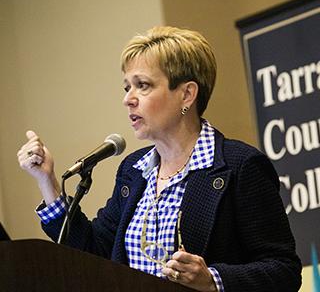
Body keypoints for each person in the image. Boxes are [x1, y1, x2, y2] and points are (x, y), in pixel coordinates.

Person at [17, 26, 302, 292]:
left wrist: (213, 280)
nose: (128, 98)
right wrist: (48, 181)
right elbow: (95, 250)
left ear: (187, 94)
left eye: (142, 85)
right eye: (127, 87)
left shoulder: (240, 166)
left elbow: (283, 269)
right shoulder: (134, 170)